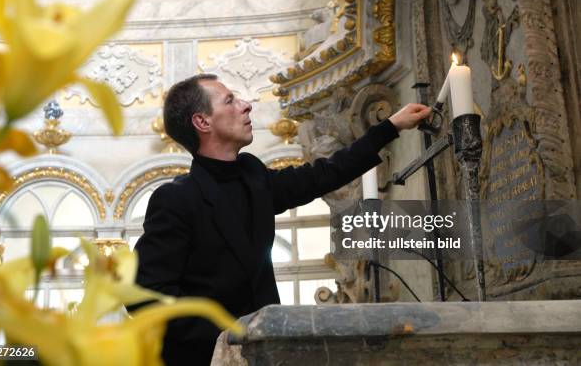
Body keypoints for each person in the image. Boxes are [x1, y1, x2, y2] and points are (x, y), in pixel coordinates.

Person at [132, 73, 431, 365]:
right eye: (230, 101)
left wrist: (390, 127)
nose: (245, 105)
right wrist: (225, 335)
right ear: (203, 121)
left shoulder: (252, 174)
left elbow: (321, 175)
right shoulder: (175, 199)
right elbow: (144, 297)